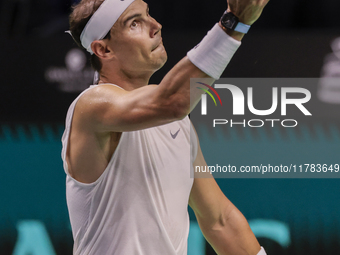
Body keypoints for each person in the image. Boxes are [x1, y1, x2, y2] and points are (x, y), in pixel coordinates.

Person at [61, 0, 270, 254]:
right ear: (103, 49)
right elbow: (170, 101)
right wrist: (234, 23)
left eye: (149, 14)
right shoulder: (91, 107)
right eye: (135, 23)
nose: (156, 26)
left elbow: (219, 220)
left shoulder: (178, 122)